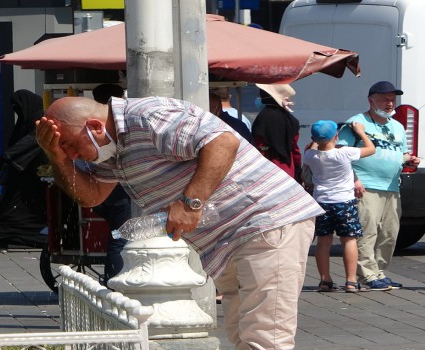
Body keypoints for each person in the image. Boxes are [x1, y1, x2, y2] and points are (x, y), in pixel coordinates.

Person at [35, 95, 324, 349]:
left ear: (95, 127)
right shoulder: (112, 149)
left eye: (70, 146)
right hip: (229, 238)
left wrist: (191, 202)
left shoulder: (147, 117)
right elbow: (91, 196)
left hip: (265, 220)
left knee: (266, 337)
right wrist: (56, 157)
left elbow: (223, 141)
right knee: (243, 333)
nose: (74, 156)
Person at [337, 81, 420, 291]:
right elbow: (341, 155)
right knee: (367, 232)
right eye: (384, 99)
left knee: (390, 233)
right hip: (366, 186)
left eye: (392, 99)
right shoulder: (357, 123)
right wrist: (354, 179)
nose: (390, 103)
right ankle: (368, 275)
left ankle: (379, 271)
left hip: (392, 187)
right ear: (370, 100)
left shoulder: (397, 126)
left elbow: (400, 153)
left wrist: (409, 159)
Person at [304, 120, 375, 293]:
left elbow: (313, 147)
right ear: (336, 136)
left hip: (321, 201)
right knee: (349, 239)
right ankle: (351, 280)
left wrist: (315, 139)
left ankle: (325, 280)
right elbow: (371, 149)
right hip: (344, 201)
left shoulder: (310, 155)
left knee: (323, 240)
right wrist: (361, 132)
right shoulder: (344, 153)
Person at [0, 90, 49, 250]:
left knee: (13, 213)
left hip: (33, 178)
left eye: (17, 105)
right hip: (23, 177)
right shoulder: (26, 120)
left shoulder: (40, 120)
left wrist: (7, 156)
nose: (15, 109)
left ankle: (34, 238)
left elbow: (31, 140)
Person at [90, 83, 132, 283]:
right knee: (120, 237)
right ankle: (115, 281)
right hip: (118, 193)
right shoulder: (117, 124)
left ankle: (113, 279)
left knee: (119, 236)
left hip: (103, 191)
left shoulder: (93, 125)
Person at [251, 83, 302, 181]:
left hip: (265, 169)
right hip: (287, 169)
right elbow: (295, 149)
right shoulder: (291, 120)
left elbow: (258, 144)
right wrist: (298, 170)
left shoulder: (262, 118)